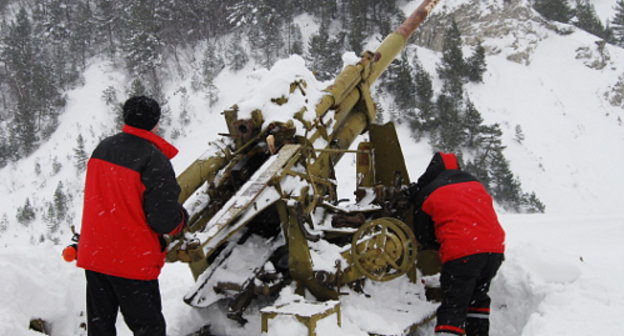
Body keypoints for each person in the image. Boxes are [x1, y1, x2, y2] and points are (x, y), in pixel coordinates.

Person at [76, 96, 188, 336]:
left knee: (100, 326)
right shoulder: (153, 159)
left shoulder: (103, 148)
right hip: (131, 259)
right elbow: (163, 220)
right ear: (155, 123)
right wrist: (181, 220)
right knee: (148, 328)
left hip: (96, 253)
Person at [410, 152, 505, 336]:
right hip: (494, 250)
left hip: (463, 253)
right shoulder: (474, 183)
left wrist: (435, 247)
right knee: (477, 299)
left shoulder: (429, 190)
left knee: (453, 306)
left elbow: (423, 235)